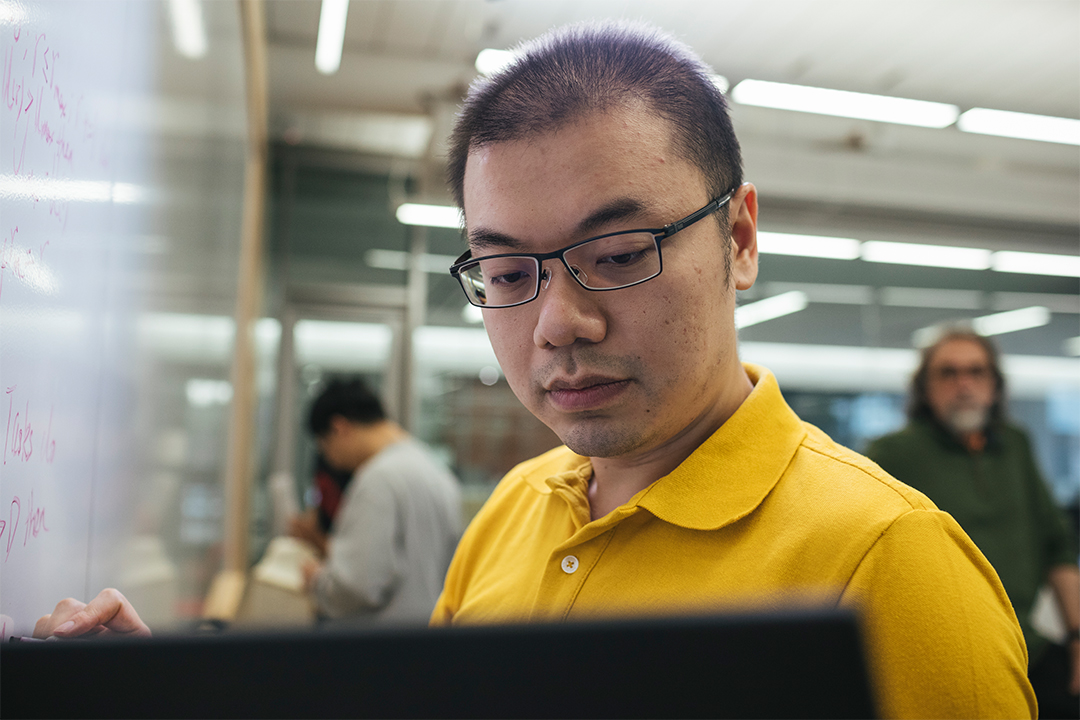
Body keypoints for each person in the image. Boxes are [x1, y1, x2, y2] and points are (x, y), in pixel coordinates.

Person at [36, 21, 1034, 718]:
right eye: (508, 270)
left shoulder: (893, 566)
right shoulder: (517, 509)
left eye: (618, 252)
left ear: (737, 238)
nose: (561, 321)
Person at [867, 329, 1080, 717]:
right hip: (944, 658)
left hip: (1025, 644)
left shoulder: (1016, 444)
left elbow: (1057, 545)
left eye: (976, 372)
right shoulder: (893, 454)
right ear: (924, 388)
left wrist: (1078, 636)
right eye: (948, 373)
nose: (964, 384)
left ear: (995, 385)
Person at [297, 378, 463, 623]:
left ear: (339, 428)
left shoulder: (378, 479)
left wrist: (318, 579)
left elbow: (357, 586)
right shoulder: (435, 470)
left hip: (383, 644)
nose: (330, 459)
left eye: (325, 446)